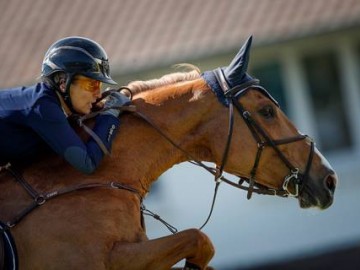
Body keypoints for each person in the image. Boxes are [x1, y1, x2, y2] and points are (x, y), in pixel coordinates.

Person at [0, 36, 130, 174]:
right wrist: (110, 115)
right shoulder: (44, 109)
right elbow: (87, 163)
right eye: (91, 85)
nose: (98, 94)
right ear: (63, 83)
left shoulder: (47, 102)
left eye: (99, 85)